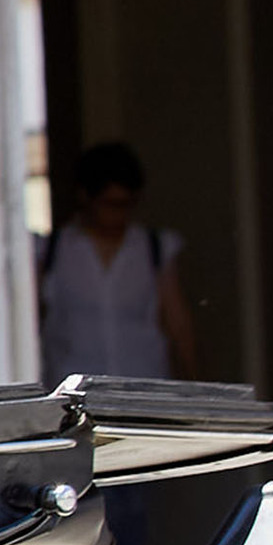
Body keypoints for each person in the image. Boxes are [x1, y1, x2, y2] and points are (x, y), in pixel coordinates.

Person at [36, 139, 196, 383]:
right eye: (110, 204)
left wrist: (195, 384)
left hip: (144, 387)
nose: (118, 215)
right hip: (74, 392)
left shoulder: (154, 248)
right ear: (86, 197)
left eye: (126, 205)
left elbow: (179, 325)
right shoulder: (51, 250)